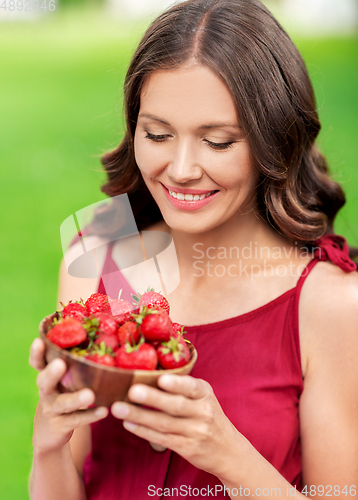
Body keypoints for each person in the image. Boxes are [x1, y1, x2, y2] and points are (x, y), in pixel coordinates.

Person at [29, 0, 358, 499]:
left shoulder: (328, 302)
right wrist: (49, 444)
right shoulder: (100, 257)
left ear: (275, 140)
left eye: (219, 142)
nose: (181, 168)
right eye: (157, 134)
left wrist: (226, 453)